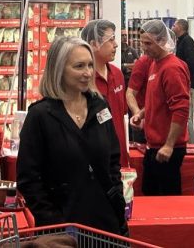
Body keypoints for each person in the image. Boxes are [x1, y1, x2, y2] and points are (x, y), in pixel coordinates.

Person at [17, 37, 126, 234]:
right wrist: (54, 222)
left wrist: (117, 199)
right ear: (59, 69)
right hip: (61, 230)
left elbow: (113, 160)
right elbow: (29, 179)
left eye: (90, 65)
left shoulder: (101, 107)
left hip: (105, 226)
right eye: (79, 66)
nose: (88, 73)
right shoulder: (40, 116)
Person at [129, 19, 190, 195]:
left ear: (162, 41)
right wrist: (141, 113)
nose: (144, 48)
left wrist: (169, 145)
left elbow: (181, 108)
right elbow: (157, 100)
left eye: (148, 43)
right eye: (142, 43)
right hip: (154, 145)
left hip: (166, 149)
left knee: (166, 200)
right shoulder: (155, 64)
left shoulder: (171, 68)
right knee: (150, 194)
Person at [83, 19, 129, 166]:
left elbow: (121, 115)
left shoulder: (117, 74)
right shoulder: (84, 80)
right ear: (94, 44)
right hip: (93, 161)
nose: (116, 44)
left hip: (119, 158)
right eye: (111, 40)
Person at [125, 50, 152, 144]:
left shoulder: (174, 65)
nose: (145, 47)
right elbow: (130, 93)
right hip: (143, 123)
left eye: (148, 43)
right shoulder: (143, 63)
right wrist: (138, 114)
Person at [172, 19, 194, 90]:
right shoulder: (180, 40)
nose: (172, 28)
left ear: (179, 28)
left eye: (174, 26)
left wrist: (188, 80)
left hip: (188, 81)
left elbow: (191, 62)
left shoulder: (187, 41)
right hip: (183, 79)